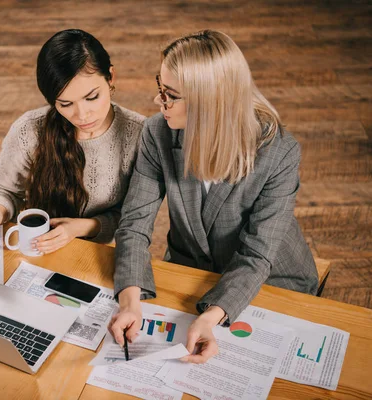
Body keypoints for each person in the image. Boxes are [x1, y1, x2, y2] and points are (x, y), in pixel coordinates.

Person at [108, 30, 318, 363]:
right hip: (192, 271)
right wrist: (130, 300)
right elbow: (133, 226)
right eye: (160, 88)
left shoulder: (279, 152)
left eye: (170, 95)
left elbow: (257, 256)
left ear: (210, 102)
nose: (158, 102)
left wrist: (210, 317)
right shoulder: (156, 132)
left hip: (270, 279)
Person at [0, 29, 145, 253]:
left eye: (92, 97)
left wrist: (82, 228)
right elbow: (3, 189)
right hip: (37, 247)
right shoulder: (29, 129)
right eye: (65, 104)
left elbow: (137, 219)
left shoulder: (140, 135)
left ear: (111, 77)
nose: (82, 115)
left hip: (100, 255)